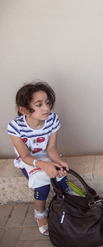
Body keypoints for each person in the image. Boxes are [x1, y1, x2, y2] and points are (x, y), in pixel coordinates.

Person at [7, 81, 69, 236]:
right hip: (29, 161)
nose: (46, 108)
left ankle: (65, 202)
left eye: (47, 103)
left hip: (46, 156)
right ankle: (40, 213)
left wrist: (59, 162)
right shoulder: (15, 127)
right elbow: (25, 156)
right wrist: (44, 166)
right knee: (42, 185)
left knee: (61, 178)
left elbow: (51, 148)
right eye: (39, 104)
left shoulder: (53, 119)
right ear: (23, 109)